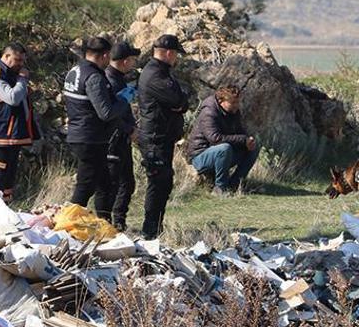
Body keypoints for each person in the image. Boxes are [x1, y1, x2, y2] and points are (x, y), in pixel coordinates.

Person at [63, 37, 134, 222]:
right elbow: (106, 112)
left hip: (80, 133)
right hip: (90, 137)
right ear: (104, 56)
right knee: (85, 186)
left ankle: (104, 223)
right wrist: (124, 100)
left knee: (104, 183)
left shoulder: (75, 70)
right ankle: (68, 225)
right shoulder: (94, 76)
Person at [137, 34, 189, 239]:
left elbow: (181, 102)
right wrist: (180, 102)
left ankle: (156, 228)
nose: (176, 59)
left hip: (163, 137)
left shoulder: (161, 72)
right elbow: (178, 99)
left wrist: (180, 102)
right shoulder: (155, 75)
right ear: (168, 53)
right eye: (176, 54)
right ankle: (150, 231)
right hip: (155, 138)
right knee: (158, 183)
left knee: (164, 183)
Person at [0, 43, 41, 202]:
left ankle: (4, 213)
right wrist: (22, 80)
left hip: (10, 137)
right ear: (6, 56)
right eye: (17, 60)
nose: (21, 64)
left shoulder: (10, 73)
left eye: (22, 61)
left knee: (7, 180)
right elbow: (12, 98)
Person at [186, 85, 259, 195]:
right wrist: (243, 139)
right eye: (233, 103)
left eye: (237, 102)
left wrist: (248, 140)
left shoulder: (233, 111)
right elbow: (215, 139)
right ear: (221, 101)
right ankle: (220, 188)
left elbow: (240, 131)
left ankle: (234, 185)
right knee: (224, 148)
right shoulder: (209, 112)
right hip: (200, 156)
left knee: (253, 148)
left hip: (221, 153)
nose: (236, 106)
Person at [105, 42, 140, 231]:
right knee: (114, 184)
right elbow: (110, 115)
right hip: (114, 139)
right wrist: (129, 130)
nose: (134, 63)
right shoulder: (110, 80)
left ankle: (118, 222)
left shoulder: (117, 78)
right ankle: (108, 222)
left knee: (127, 183)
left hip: (121, 138)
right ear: (125, 61)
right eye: (132, 60)